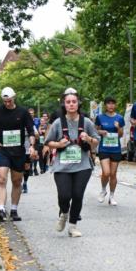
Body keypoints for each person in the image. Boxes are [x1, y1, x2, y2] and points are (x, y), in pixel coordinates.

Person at [43, 90, 100, 237]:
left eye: (74, 101)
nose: (71, 104)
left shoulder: (86, 122)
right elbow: (48, 142)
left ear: (78, 103)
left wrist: (88, 139)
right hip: (62, 166)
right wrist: (58, 144)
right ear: (64, 104)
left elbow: (96, 141)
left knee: (77, 195)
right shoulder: (58, 122)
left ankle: (73, 226)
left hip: (82, 165)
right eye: (68, 102)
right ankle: (64, 213)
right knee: (64, 195)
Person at [0, 87, 37, 222]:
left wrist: (32, 146)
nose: (7, 103)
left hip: (18, 151)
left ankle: (14, 210)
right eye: (4, 101)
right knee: (1, 179)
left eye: (9, 101)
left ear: (14, 98)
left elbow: (30, 131)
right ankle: (1, 209)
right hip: (3, 150)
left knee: (17, 181)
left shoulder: (23, 112)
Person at [95, 97, 125, 205]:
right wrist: (101, 132)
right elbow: (95, 130)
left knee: (113, 174)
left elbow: (121, 135)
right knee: (106, 172)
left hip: (115, 149)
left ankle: (112, 196)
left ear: (115, 105)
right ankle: (103, 190)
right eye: (109, 103)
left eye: (113, 103)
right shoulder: (100, 117)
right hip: (104, 148)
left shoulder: (119, 118)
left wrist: (118, 128)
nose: (111, 105)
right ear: (105, 105)